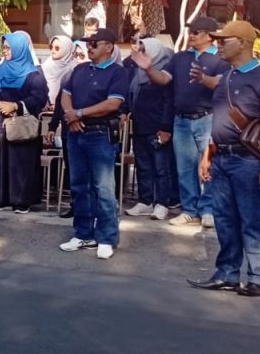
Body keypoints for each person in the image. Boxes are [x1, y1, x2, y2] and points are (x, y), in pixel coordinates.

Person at [187, 20, 260, 297]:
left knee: (252, 220)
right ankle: (227, 273)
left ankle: (258, 277)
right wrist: (208, 155)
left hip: (248, 160)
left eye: (224, 39)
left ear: (242, 42)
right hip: (221, 157)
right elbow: (217, 120)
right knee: (224, 219)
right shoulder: (226, 77)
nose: (218, 43)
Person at [130, 16, 228, 228]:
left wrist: (203, 79)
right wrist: (148, 68)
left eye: (196, 32)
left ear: (210, 36)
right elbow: (163, 80)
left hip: (207, 119)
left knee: (208, 166)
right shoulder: (180, 58)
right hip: (181, 120)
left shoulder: (221, 59)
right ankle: (190, 210)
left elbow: (223, 86)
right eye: (190, 31)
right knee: (184, 168)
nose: (190, 35)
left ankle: (208, 209)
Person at [58, 28, 129, 259]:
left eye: (94, 43)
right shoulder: (79, 69)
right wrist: (71, 115)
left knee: (104, 187)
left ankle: (107, 237)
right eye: (88, 43)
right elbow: (65, 94)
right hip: (76, 133)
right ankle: (83, 233)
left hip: (100, 134)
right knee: (79, 186)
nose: (89, 47)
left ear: (108, 46)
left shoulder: (118, 73)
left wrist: (79, 113)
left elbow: (112, 104)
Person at [0, 32, 49, 213]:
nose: (5, 51)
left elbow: (39, 98)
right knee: (2, 161)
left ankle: (22, 200)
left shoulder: (34, 74)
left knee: (22, 163)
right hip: (2, 123)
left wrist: (16, 105)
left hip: (22, 124)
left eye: (9, 48)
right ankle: (2, 198)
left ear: (19, 49)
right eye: (4, 48)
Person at [123, 37, 178, 220]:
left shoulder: (164, 73)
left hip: (157, 127)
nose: (141, 53)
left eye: (145, 50)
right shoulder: (136, 72)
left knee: (161, 167)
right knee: (143, 166)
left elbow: (169, 103)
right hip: (140, 126)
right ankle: (145, 201)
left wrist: (165, 128)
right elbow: (130, 96)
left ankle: (162, 202)